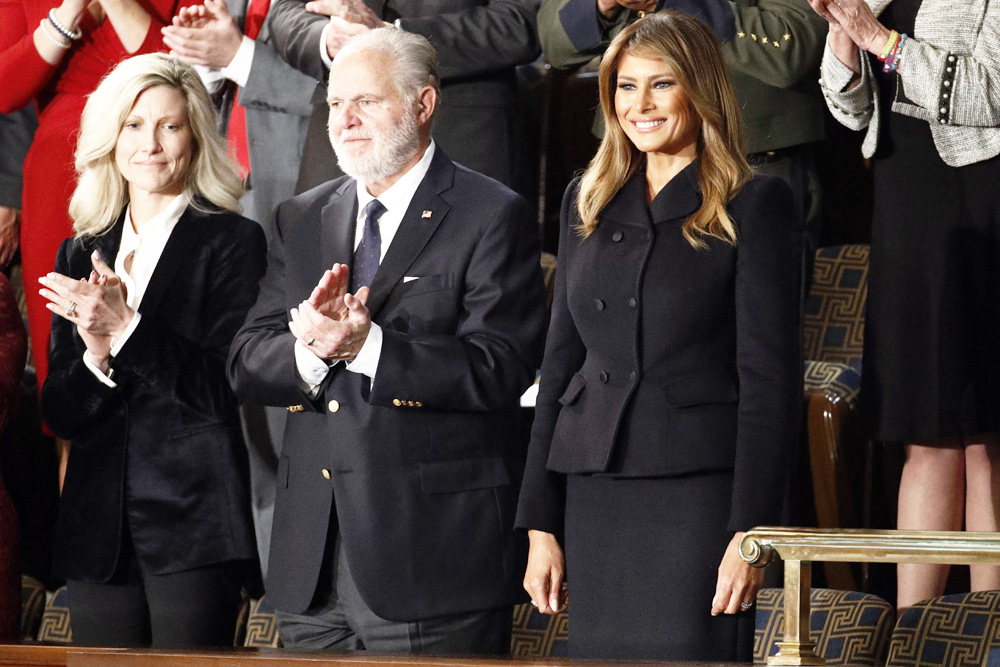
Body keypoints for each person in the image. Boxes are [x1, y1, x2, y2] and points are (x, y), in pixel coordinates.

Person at [228, 27, 547, 652]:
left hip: (433, 562)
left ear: (424, 105)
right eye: (334, 104)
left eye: (365, 102)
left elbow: (502, 368)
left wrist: (368, 348)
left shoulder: (490, 213)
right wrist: (313, 348)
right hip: (311, 567)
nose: (343, 119)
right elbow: (246, 362)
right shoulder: (302, 216)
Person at [515, 11, 800, 662]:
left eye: (661, 85)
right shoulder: (583, 200)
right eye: (624, 86)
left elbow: (769, 381)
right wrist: (540, 523)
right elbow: (557, 370)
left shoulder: (753, 203)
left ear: (700, 91)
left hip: (697, 495)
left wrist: (750, 533)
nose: (640, 105)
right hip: (594, 487)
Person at [38, 53, 266, 647]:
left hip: (194, 526)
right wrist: (94, 354)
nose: (152, 144)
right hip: (95, 532)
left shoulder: (233, 241)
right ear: (110, 138)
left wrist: (129, 329)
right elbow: (59, 412)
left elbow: (223, 393)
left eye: (170, 125)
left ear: (195, 136)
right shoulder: (78, 250)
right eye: (134, 125)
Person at [810, 0, 1000, 613]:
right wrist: (844, 38)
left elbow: (990, 95)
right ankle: (913, 633)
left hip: (982, 198)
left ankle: (984, 633)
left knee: (984, 435)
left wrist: (882, 41)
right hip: (906, 197)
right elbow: (852, 111)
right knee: (922, 428)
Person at [160, 0, 318, 581]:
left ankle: (300, 585)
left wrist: (241, 57)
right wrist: (205, 66)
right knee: (239, 410)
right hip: (223, 210)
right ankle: (269, 582)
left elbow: (350, 99)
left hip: (303, 212)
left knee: (290, 417)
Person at [539, 0, 827, 292]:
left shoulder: (762, 197)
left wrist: (670, 3)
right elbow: (552, 40)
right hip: (632, 164)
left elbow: (797, 43)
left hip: (750, 164)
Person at [0, 0, 197, 426]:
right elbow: (6, 88)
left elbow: (175, 77)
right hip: (58, 176)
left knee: (156, 340)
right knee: (64, 366)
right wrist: (66, 15)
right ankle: (69, 488)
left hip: (150, 168)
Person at [263, 0, 541, 193]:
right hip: (339, 145)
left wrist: (394, 38)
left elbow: (524, 19)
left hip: (460, 128)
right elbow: (284, 12)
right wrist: (326, 38)